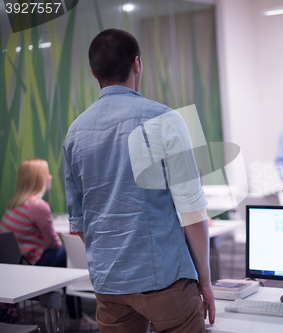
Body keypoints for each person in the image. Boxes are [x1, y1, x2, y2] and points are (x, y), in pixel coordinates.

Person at [63, 29, 215, 333]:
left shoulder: (75, 133)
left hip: (109, 284)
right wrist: (206, 281)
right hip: (165, 279)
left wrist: (114, 252)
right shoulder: (165, 119)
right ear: (138, 64)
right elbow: (192, 212)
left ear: (93, 72)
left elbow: (78, 222)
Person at [0, 158, 98, 331]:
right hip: (27, 268)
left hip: (13, 268)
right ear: (38, 178)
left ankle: (75, 313)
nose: (51, 177)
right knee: (66, 252)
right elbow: (53, 243)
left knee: (63, 253)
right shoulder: (38, 206)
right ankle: (77, 316)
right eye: (47, 173)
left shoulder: (14, 205)